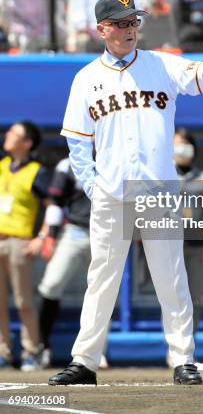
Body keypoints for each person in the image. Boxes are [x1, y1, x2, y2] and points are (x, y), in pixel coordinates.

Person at [48, 0, 203, 386]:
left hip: (158, 189)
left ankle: (183, 358)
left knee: (170, 276)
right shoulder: (86, 78)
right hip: (112, 192)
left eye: (134, 22)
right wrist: (93, 187)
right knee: (101, 276)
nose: (129, 29)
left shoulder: (160, 65)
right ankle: (85, 361)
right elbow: (76, 143)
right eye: (120, 23)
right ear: (101, 29)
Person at [38, 156, 109, 370]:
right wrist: (50, 235)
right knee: (50, 285)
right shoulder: (69, 163)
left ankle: (97, 351)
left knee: (104, 292)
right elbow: (55, 202)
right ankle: (44, 345)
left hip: (108, 231)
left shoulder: (117, 157)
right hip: (75, 231)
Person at [0, 121, 49, 371]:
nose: (7, 136)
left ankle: (31, 351)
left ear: (27, 143)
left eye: (13, 133)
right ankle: (4, 351)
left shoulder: (37, 171)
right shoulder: (1, 167)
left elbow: (51, 205)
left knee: (23, 301)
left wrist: (41, 236)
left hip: (19, 242)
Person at [173, 128, 203, 336]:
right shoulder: (164, 174)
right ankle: (174, 349)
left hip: (196, 246)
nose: (181, 149)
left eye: (184, 144)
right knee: (172, 296)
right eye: (176, 143)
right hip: (171, 245)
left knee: (195, 296)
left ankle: (189, 344)